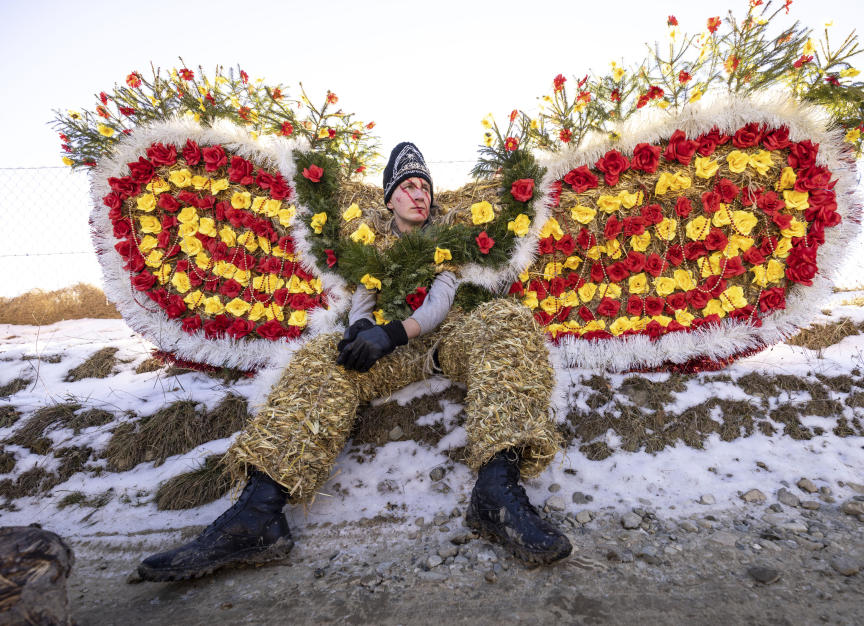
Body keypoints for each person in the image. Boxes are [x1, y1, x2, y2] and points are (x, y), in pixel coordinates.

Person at [137, 142, 570, 582]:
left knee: (507, 320)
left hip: (449, 338)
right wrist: (360, 331)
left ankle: (496, 491)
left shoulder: (449, 239)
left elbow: (440, 302)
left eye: (425, 187)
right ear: (390, 198)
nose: (420, 195)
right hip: (391, 350)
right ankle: (258, 514)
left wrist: (394, 332)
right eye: (409, 187)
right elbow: (364, 299)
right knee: (323, 356)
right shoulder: (374, 250)